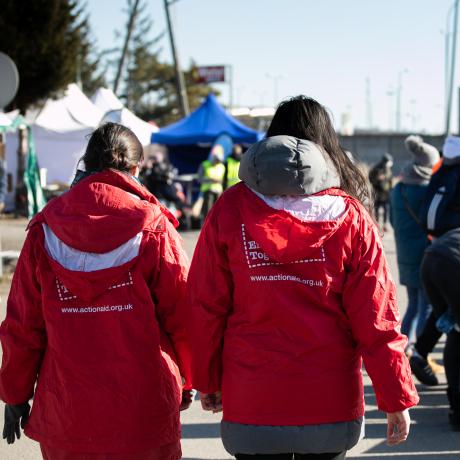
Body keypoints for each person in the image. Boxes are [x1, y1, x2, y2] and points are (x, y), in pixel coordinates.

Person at [187, 96, 419, 460]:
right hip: (330, 400)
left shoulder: (230, 208)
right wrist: (395, 396)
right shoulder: (350, 215)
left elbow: (204, 306)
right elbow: (376, 317)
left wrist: (207, 379)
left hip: (252, 399)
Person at [0, 123, 192, 459]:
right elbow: (184, 316)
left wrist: (15, 394)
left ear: (85, 166)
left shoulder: (44, 230)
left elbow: (22, 326)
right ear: (135, 169)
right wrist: (188, 379)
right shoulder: (155, 226)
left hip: (67, 413)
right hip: (144, 412)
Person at [390, 135, 440, 342]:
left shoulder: (398, 189)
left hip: (404, 253)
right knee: (426, 306)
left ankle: (402, 349)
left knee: (412, 304)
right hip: (425, 253)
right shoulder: (429, 190)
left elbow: (392, 220)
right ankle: (419, 354)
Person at [197, 145, 225, 220]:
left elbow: (224, 180)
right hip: (208, 191)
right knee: (208, 211)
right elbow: (199, 179)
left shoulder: (222, 166)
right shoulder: (205, 164)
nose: (217, 162)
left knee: (219, 211)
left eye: (219, 161)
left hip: (218, 191)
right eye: (217, 160)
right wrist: (211, 180)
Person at [369, 153, 393, 231]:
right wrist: (378, 180)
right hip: (377, 192)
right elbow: (371, 179)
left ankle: (385, 225)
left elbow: (389, 178)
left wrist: (390, 188)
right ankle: (377, 225)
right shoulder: (376, 168)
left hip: (386, 193)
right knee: (377, 208)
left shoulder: (387, 168)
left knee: (386, 209)